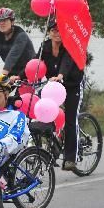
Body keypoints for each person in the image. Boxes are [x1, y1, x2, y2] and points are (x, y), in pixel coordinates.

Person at [38, 18, 84, 171]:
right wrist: (19, 77)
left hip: (72, 85)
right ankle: (51, 145)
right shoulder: (44, 47)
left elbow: (67, 62)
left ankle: (71, 157)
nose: (57, 33)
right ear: (49, 33)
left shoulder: (70, 46)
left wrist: (61, 75)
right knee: (42, 112)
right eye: (54, 30)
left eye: (60, 30)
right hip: (54, 87)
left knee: (71, 120)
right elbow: (34, 64)